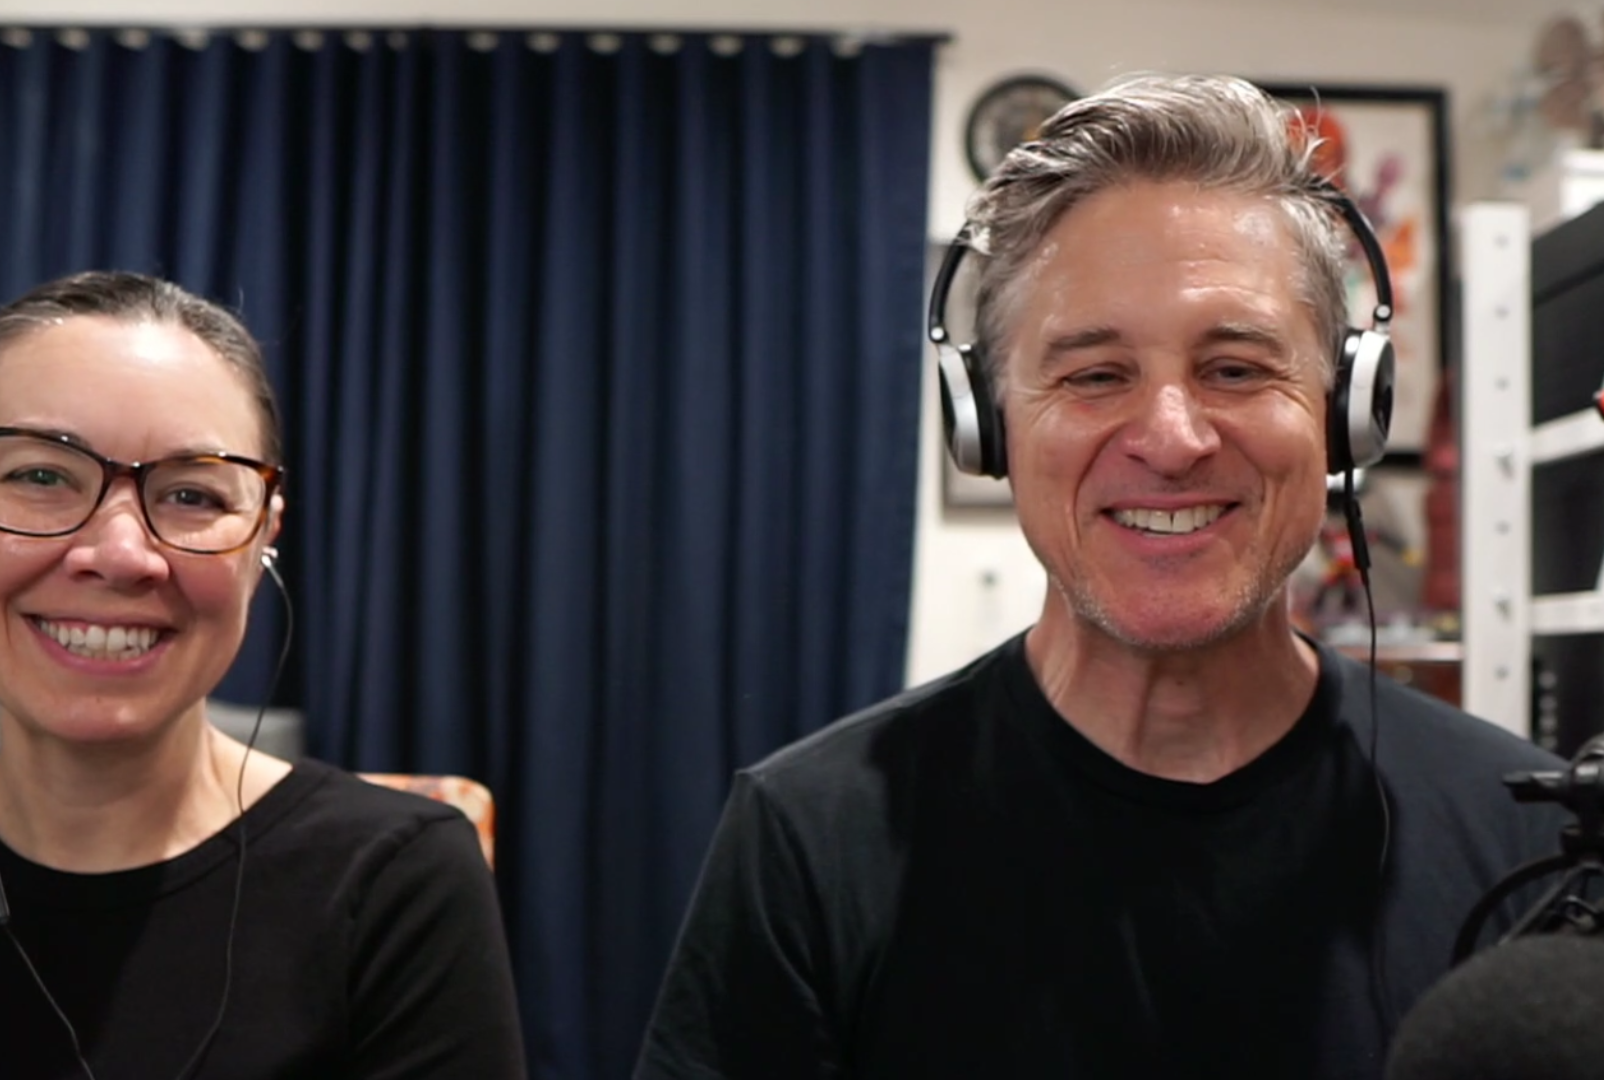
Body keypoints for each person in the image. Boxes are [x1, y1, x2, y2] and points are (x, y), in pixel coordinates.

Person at [634, 74, 1566, 1080]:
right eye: (1093, 375)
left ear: (1346, 414)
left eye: (1238, 368)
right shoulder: (811, 840)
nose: (1171, 440)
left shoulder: (1528, 838)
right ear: (986, 429)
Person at [0, 271, 526, 1078]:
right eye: (41, 477)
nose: (122, 555)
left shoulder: (394, 890)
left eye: (194, 496)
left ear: (264, 532)